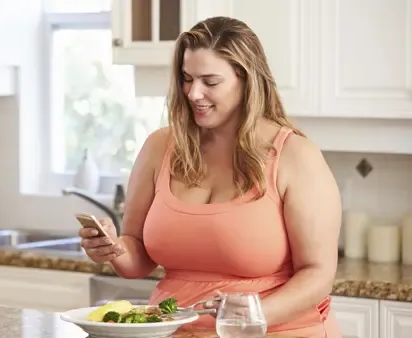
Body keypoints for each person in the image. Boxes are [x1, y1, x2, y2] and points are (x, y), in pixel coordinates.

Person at [78, 16, 342, 337]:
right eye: (187, 78)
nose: (193, 93)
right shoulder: (160, 147)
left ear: (247, 80)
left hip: (273, 331)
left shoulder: (295, 156)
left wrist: (252, 313)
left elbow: (318, 273)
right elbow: (138, 258)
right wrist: (114, 249)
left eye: (210, 82)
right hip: (176, 331)